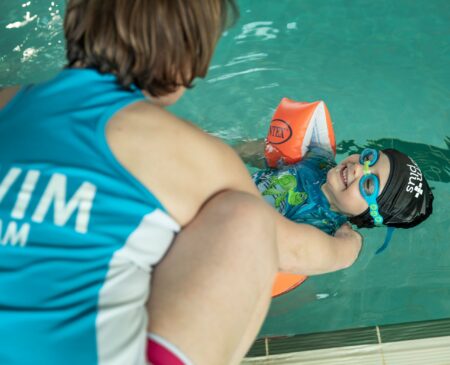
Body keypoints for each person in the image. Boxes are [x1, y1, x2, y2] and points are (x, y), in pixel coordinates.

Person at [0, 2, 363, 365]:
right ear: (187, 62)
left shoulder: (6, 103)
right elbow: (288, 249)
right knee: (248, 218)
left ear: (73, 18)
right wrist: (346, 250)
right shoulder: (188, 153)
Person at [237, 98, 434, 254]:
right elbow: (261, 155)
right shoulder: (319, 157)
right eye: (369, 158)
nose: (359, 168)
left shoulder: (320, 228)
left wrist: (347, 247)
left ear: (368, 215)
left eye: (368, 185)